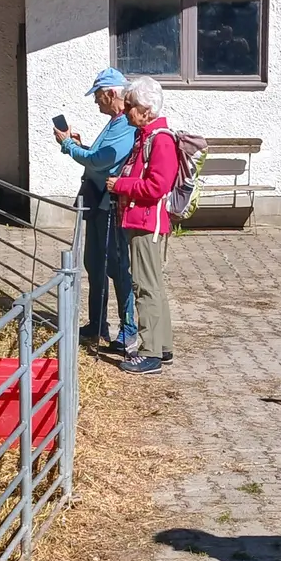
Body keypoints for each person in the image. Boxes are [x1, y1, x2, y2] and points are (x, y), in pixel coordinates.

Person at [58, 68, 140, 354]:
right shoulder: (115, 122)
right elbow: (98, 157)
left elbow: (99, 161)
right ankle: (97, 324)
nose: (95, 101)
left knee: (117, 267)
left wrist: (69, 146)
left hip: (110, 205)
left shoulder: (125, 124)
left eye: (98, 96)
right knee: (94, 263)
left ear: (111, 93)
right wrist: (80, 146)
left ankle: (128, 329)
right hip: (97, 202)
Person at [107, 76, 177, 376]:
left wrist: (120, 185)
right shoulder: (146, 136)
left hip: (147, 223)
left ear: (146, 110)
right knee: (153, 285)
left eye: (130, 106)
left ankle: (150, 354)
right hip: (141, 220)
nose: (125, 111)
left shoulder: (160, 140)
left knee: (145, 287)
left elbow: (157, 186)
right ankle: (162, 346)